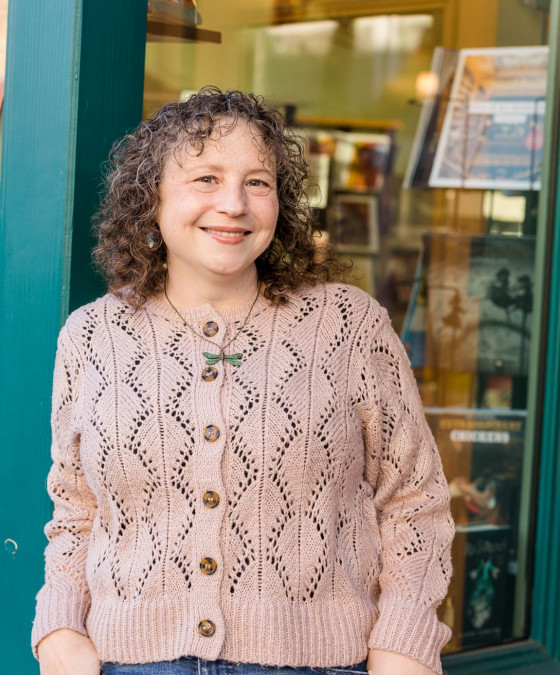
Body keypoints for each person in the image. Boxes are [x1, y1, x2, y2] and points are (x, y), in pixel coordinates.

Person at [33, 88, 453, 675]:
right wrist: (58, 628)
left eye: (258, 182)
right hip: (128, 661)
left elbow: (415, 498)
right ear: (149, 197)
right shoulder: (92, 335)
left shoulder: (348, 325)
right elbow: (76, 507)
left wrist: (403, 645)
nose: (233, 203)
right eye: (206, 178)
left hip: (318, 663)